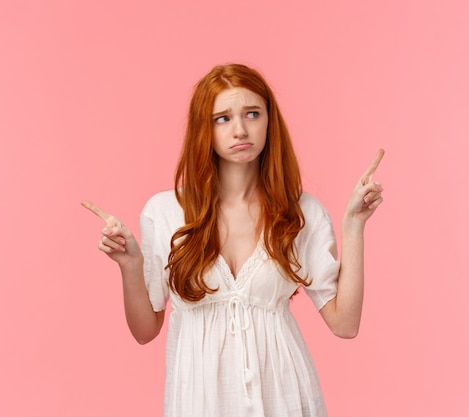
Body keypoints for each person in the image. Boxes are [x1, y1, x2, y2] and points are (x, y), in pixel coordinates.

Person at [82, 63, 384, 417]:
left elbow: (345, 324)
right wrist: (130, 265)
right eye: (222, 118)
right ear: (203, 128)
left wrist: (354, 225)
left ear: (269, 121)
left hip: (284, 396)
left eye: (252, 114)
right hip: (199, 400)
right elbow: (145, 331)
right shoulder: (164, 212)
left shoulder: (300, 211)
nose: (240, 130)